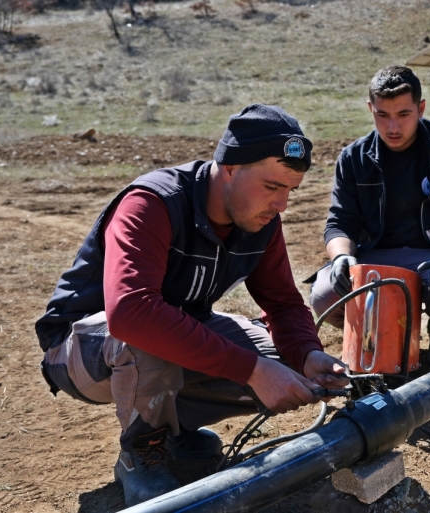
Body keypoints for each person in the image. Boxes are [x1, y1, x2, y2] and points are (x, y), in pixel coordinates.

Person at [35, 104, 349, 507]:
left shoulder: (260, 219)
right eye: (272, 187)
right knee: (147, 332)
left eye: (291, 190)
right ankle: (142, 453)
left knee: (285, 361)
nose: (282, 205)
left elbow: (284, 303)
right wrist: (252, 370)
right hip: (82, 350)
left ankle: (173, 432)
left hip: (160, 337)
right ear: (231, 167)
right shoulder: (153, 203)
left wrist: (307, 355)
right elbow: (130, 312)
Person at [309, 65, 430, 368]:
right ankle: (383, 339)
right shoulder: (353, 158)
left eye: (403, 115)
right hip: (373, 258)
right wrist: (341, 257)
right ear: (370, 109)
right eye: (382, 115)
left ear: (420, 108)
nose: (392, 127)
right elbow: (339, 222)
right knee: (324, 295)